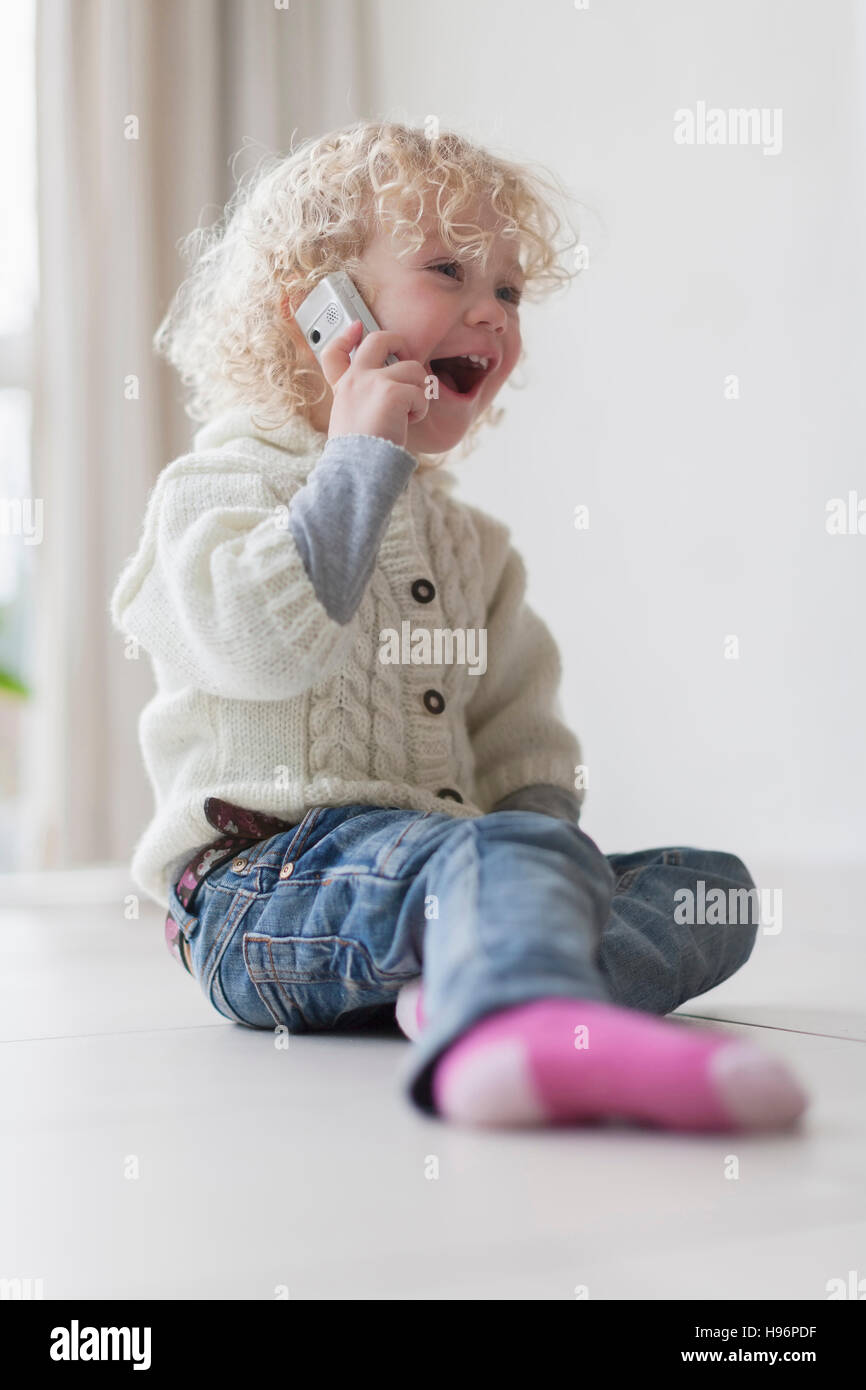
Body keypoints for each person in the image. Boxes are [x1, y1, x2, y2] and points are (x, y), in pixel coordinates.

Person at [109, 120, 807, 1131]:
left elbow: (523, 745)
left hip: (442, 877)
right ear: (316, 309)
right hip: (262, 901)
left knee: (714, 892)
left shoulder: (473, 546)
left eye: (510, 293)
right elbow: (254, 645)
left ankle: (472, 992)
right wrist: (354, 463)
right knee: (492, 859)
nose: (491, 313)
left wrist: (542, 857)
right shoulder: (221, 483)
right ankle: (520, 1018)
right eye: (448, 271)